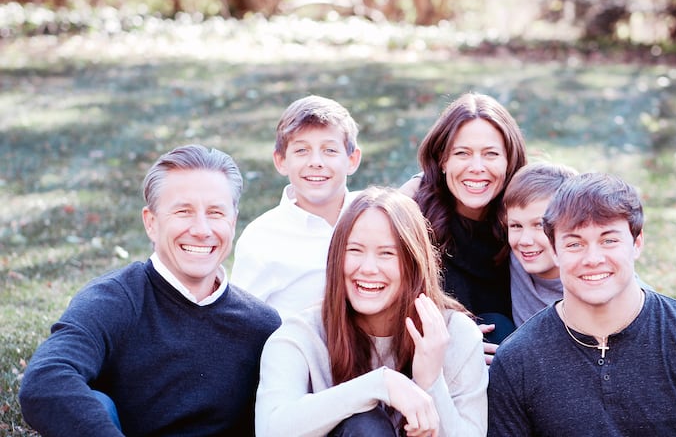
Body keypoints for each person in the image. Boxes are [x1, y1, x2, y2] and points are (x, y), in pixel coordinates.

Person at [18, 144, 282, 437]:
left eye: (216, 213)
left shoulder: (261, 326)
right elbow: (45, 380)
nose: (201, 229)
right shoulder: (113, 300)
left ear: (232, 222)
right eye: (183, 211)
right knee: (98, 402)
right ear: (151, 223)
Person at [487, 172, 676, 436]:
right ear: (555, 250)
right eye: (574, 243)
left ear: (637, 244)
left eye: (609, 240)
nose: (593, 258)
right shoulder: (518, 360)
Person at [255, 186, 488, 436]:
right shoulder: (300, 335)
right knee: (365, 425)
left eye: (387, 253)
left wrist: (431, 383)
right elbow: (271, 429)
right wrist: (377, 385)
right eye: (354, 250)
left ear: (414, 262)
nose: (368, 268)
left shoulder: (454, 335)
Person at [410, 92, 527, 345]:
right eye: (462, 153)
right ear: (442, 160)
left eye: (491, 154)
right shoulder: (413, 219)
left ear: (509, 161)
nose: (476, 167)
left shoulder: (524, 222)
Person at [231, 95, 362, 318]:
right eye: (302, 151)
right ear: (281, 161)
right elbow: (240, 323)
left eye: (330, 150)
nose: (316, 162)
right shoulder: (261, 239)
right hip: (294, 348)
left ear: (352, 160)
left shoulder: (374, 218)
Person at [502, 162, 577, 326]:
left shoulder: (588, 280)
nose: (525, 241)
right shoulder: (515, 260)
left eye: (539, 225)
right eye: (516, 226)